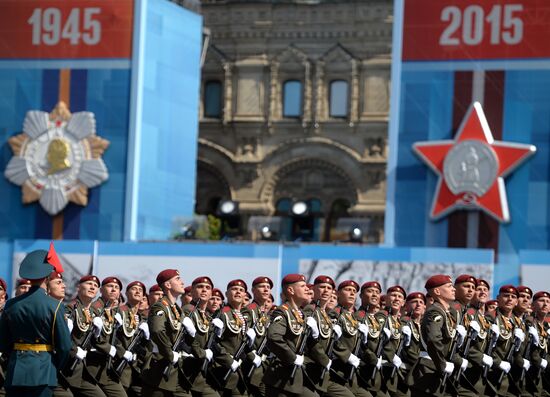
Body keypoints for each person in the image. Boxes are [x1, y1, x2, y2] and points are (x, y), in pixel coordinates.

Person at [0, 248, 72, 397]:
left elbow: (3, 342)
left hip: (16, 370)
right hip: (43, 371)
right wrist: (54, 366)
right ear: (47, 277)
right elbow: (64, 346)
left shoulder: (11, 304)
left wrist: (14, 358)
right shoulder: (55, 305)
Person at [262, 274, 319, 397]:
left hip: (295, 377)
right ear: (291, 290)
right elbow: (274, 337)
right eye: (302, 286)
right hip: (280, 378)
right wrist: (292, 357)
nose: (307, 289)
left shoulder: (300, 314)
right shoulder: (282, 312)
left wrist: (314, 335)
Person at [410, 274, 464, 397]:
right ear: (437, 291)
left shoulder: (447, 313)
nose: (454, 289)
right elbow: (433, 340)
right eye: (449, 286)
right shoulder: (435, 311)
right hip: (428, 372)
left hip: (436, 371)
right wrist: (442, 364)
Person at [142, 269, 193, 396]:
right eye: (178, 279)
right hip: (159, 367)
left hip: (174, 369)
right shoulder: (159, 306)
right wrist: (170, 353)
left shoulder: (176, 309)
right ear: (168, 285)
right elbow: (157, 331)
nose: (182, 283)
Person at [116, 281, 151, 397]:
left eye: (140, 290)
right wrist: (122, 352)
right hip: (121, 364)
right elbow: (112, 338)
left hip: (136, 368)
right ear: (126, 293)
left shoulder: (141, 317)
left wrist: (147, 338)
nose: (137, 292)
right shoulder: (120, 311)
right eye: (134, 289)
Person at [242, 277, 273, 397]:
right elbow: (241, 338)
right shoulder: (249, 310)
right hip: (250, 365)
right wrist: (252, 355)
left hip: (263, 366)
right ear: (253, 290)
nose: (266, 290)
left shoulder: (264, 314)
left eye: (268, 288)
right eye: (262, 286)